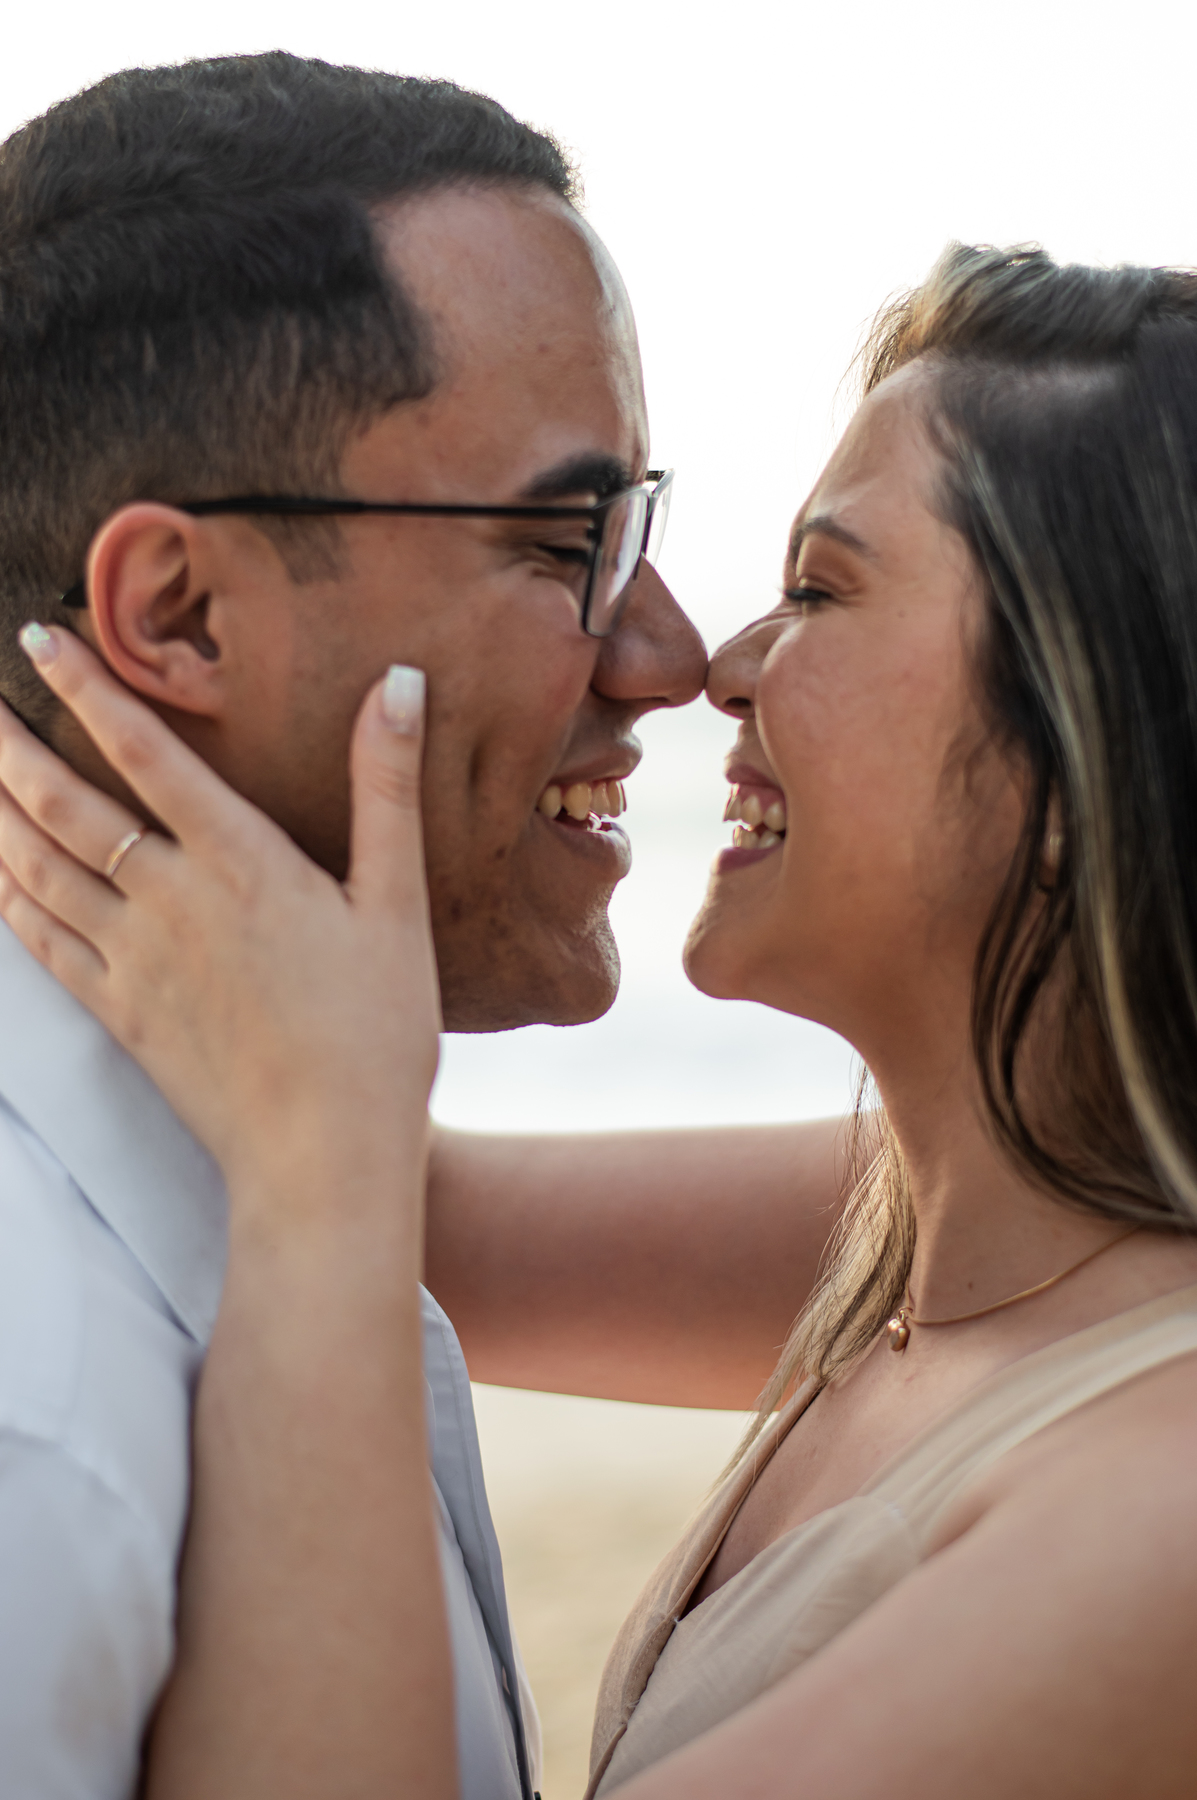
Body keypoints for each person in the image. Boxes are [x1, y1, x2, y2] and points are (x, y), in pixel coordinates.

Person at [6, 240, 1197, 1799]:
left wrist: (324, 1163)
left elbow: (340, 1188)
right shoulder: (951, 1230)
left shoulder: (1161, 1510)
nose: (718, 666)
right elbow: (386, 1191)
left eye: (820, 589)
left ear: (1090, 750)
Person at [0, 50, 849, 1799]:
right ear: (182, 613)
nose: (675, 657)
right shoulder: (41, 1417)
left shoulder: (265, 1159)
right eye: (566, 541)